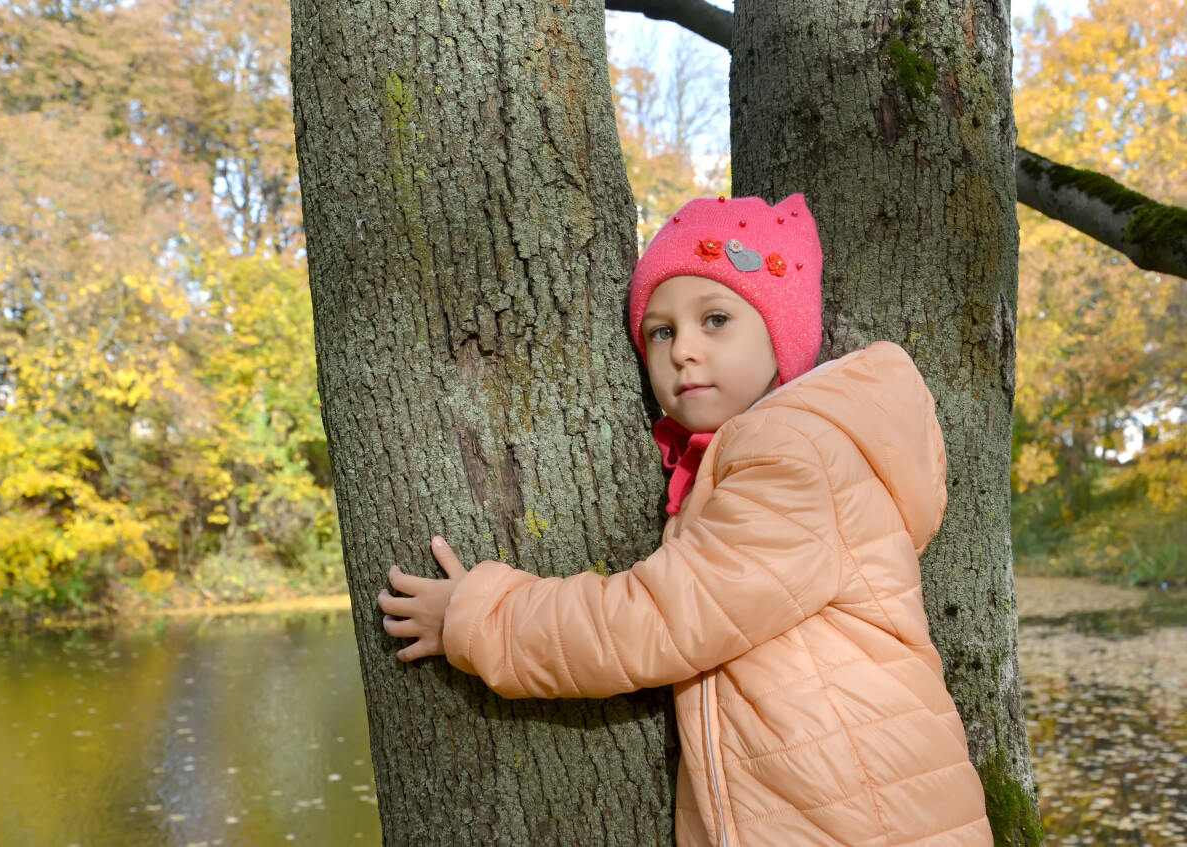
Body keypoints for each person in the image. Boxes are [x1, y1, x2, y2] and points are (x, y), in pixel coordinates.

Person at [378, 195, 993, 846]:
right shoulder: (760, 457)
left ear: (781, 335)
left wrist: (477, 618)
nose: (683, 351)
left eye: (717, 318)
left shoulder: (796, 456)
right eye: (661, 331)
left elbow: (657, 620)